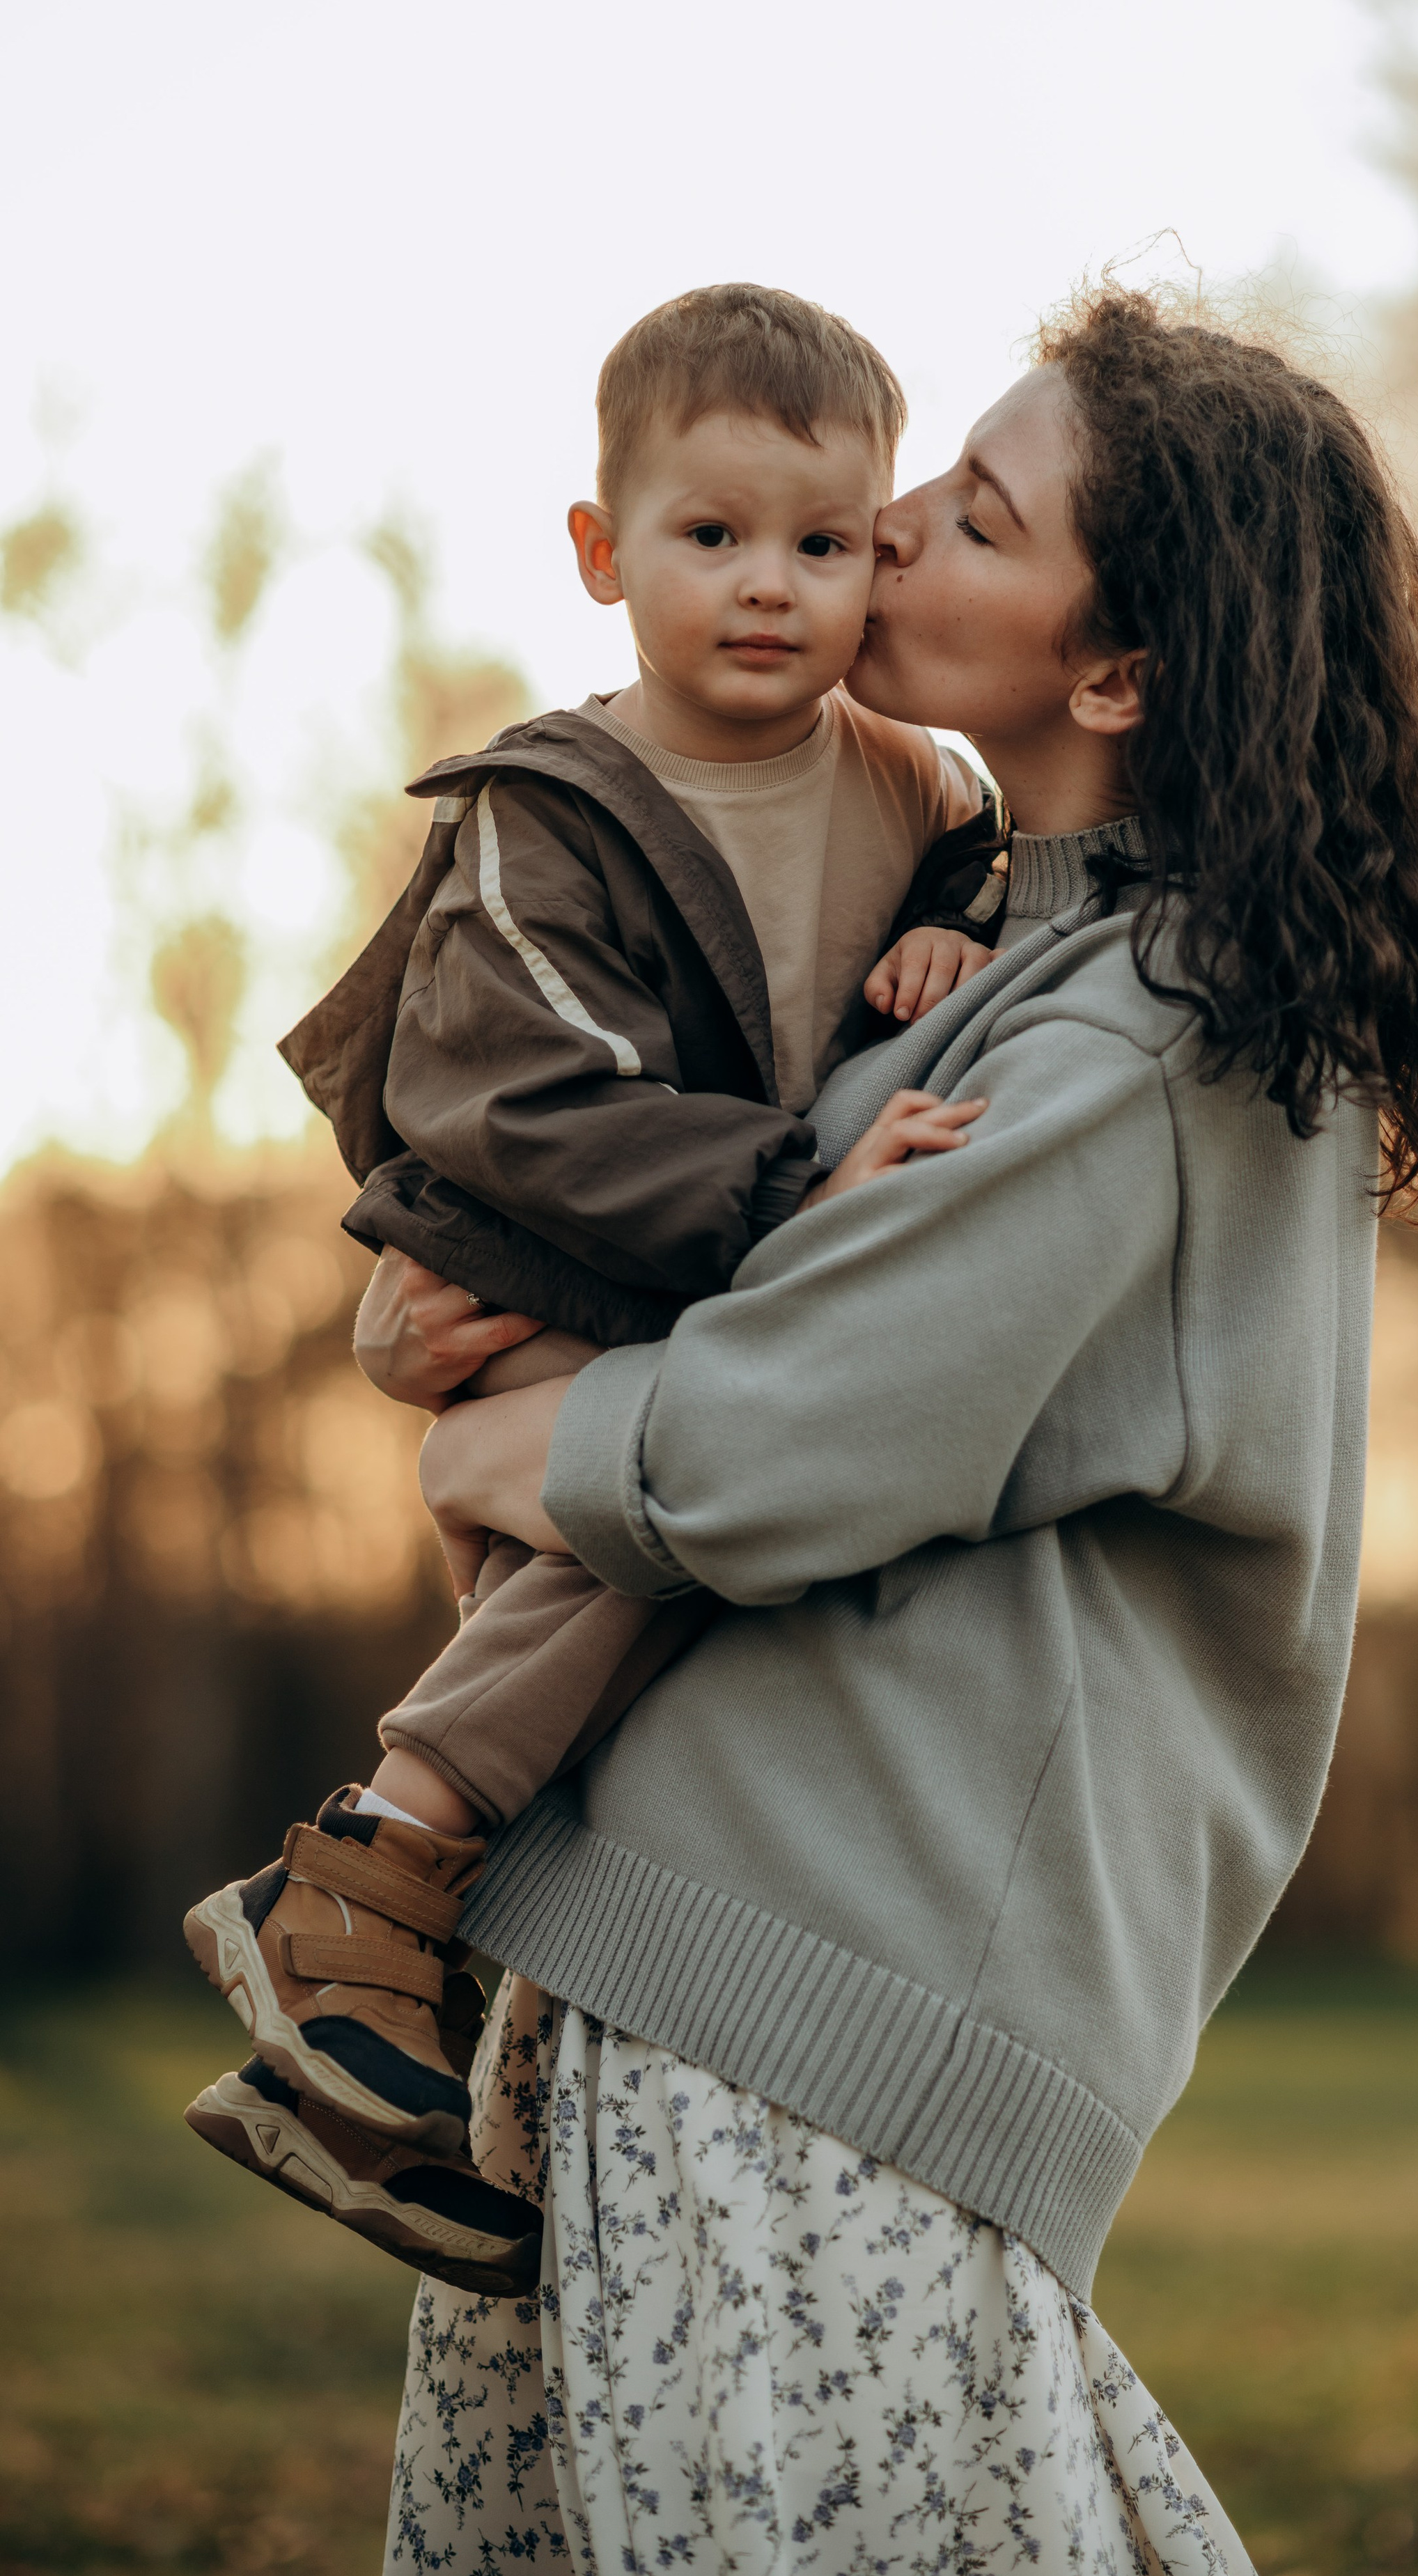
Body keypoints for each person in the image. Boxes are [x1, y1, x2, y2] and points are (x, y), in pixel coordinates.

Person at [366, 286, 1418, 2576]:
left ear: (1121, 675)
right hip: (697, 1972)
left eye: (977, 517)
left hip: (826, 2024)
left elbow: (774, 1441)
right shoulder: (998, 960)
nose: (882, 529)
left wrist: (487, 1436)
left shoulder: (1156, 1035)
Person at [178, 283, 1006, 2290]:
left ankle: (401, 2056)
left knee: (633, 1658)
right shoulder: (549, 811)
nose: (768, 586)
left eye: (823, 543)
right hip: (553, 1267)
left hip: (707, 1293)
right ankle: (360, 1886)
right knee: (667, 1525)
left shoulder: (911, 785)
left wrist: (953, 931)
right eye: (711, 534)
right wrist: (799, 1184)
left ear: (877, 556)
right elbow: (527, 1100)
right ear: (599, 552)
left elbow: (993, 856)